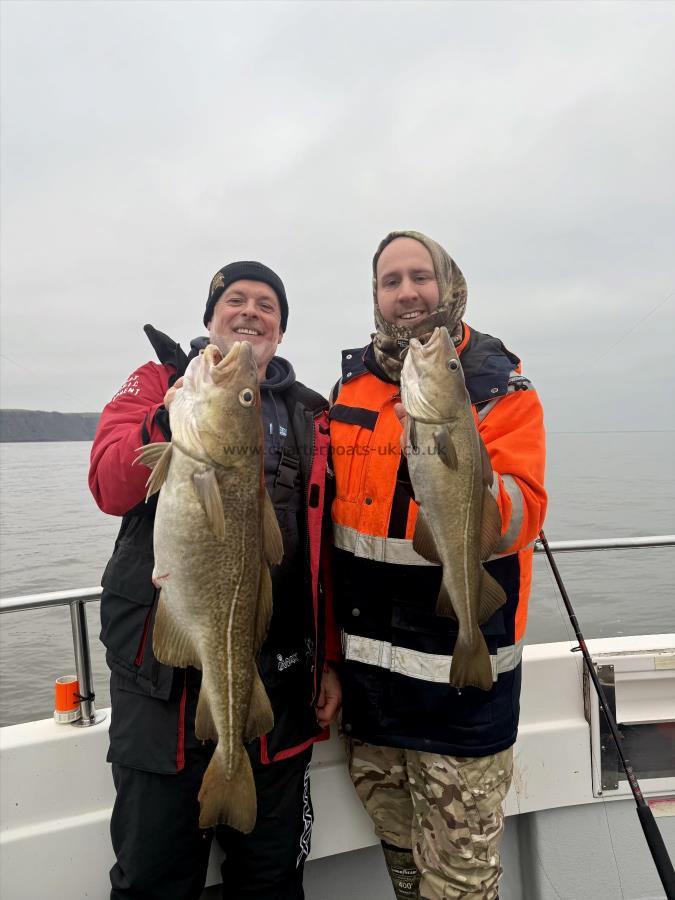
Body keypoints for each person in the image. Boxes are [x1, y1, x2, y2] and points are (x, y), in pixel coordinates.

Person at [89, 260, 342, 900]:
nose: (251, 312)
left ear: (280, 334)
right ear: (210, 317)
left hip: (276, 691)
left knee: (272, 882)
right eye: (235, 300)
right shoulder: (158, 386)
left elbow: (324, 557)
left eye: (268, 305)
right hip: (160, 696)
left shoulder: (314, 417)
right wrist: (166, 421)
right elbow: (109, 482)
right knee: (152, 882)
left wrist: (329, 661)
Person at [328, 231, 546, 900]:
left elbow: (523, 511)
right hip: (371, 691)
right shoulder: (352, 389)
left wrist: (461, 473)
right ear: (375, 297)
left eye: (419, 276)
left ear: (449, 286)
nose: (406, 292)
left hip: (459, 696)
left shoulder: (496, 386)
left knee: (458, 883)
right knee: (401, 863)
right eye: (389, 281)